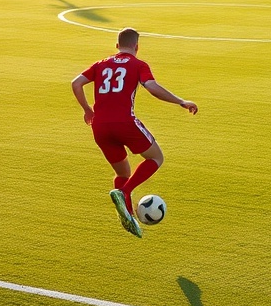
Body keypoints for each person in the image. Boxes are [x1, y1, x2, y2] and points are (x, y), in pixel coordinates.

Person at [71, 27, 198, 238]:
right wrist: (181, 101)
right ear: (137, 47)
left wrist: (87, 109)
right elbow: (152, 87)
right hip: (125, 123)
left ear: (116, 46)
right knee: (156, 157)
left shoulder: (101, 64)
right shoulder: (138, 64)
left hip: (100, 126)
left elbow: (76, 83)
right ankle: (125, 191)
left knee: (122, 173)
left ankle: (128, 216)